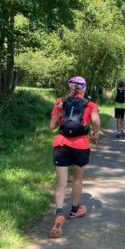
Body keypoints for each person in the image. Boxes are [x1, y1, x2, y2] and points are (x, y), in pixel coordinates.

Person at [48, 76, 100, 238]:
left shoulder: (60, 103)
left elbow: (51, 126)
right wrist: (95, 133)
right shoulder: (90, 105)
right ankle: (75, 210)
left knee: (61, 182)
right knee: (77, 179)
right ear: (84, 88)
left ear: (70, 87)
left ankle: (58, 213)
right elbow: (96, 123)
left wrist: (58, 120)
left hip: (61, 144)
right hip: (81, 146)